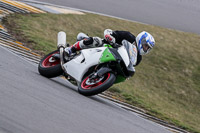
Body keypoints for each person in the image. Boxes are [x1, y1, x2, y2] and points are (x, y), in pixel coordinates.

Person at [64, 29, 155, 67]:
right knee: (96, 41)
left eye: (148, 48)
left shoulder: (138, 58)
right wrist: (111, 37)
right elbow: (112, 33)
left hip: (113, 62)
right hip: (106, 47)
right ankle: (71, 49)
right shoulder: (128, 36)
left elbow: (130, 66)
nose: (146, 48)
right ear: (141, 40)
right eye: (146, 45)